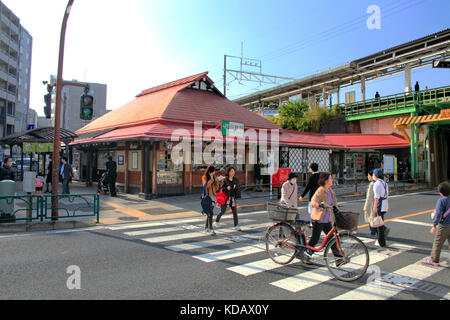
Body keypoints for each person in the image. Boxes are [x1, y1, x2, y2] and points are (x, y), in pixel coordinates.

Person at [306, 172, 343, 264]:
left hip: (327, 219)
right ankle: (307, 254)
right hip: (318, 218)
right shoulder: (320, 190)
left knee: (331, 239)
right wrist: (318, 204)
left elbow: (334, 204)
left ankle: (338, 259)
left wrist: (338, 212)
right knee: (315, 239)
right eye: (330, 179)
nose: (332, 180)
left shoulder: (330, 191)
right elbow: (313, 201)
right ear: (326, 181)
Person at [425, 182, 450, 266]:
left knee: (438, 242)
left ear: (440, 192)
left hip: (444, 225)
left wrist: (434, 225)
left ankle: (434, 260)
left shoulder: (441, 201)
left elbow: (438, 213)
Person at [215, 166, 241, 231]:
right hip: (226, 198)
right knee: (222, 211)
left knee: (235, 212)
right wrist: (226, 188)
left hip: (232, 198)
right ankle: (217, 221)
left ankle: (236, 225)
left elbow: (238, 188)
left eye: (234, 171)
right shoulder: (225, 180)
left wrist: (237, 190)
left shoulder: (235, 179)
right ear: (228, 172)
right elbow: (221, 189)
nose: (233, 172)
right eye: (231, 171)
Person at [201, 165, 223, 235]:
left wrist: (218, 182)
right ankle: (210, 229)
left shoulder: (214, 177)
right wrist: (211, 179)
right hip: (207, 196)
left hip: (213, 196)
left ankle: (206, 228)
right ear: (210, 172)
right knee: (210, 213)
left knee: (209, 213)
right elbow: (206, 186)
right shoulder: (204, 177)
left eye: (214, 171)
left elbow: (216, 188)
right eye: (213, 171)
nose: (214, 173)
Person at [372, 168, 390, 247]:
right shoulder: (385, 183)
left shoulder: (376, 184)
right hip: (384, 205)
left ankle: (381, 242)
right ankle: (381, 241)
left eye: (373, 174)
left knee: (378, 225)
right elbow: (387, 195)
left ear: (375, 175)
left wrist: (374, 207)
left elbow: (376, 197)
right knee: (380, 223)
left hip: (380, 205)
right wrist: (388, 206)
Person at [363, 170, 377, 237]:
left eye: (368, 176)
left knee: (370, 217)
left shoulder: (371, 184)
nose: (368, 177)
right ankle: (377, 231)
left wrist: (366, 206)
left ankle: (373, 232)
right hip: (377, 203)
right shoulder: (378, 183)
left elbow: (369, 196)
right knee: (375, 217)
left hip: (371, 203)